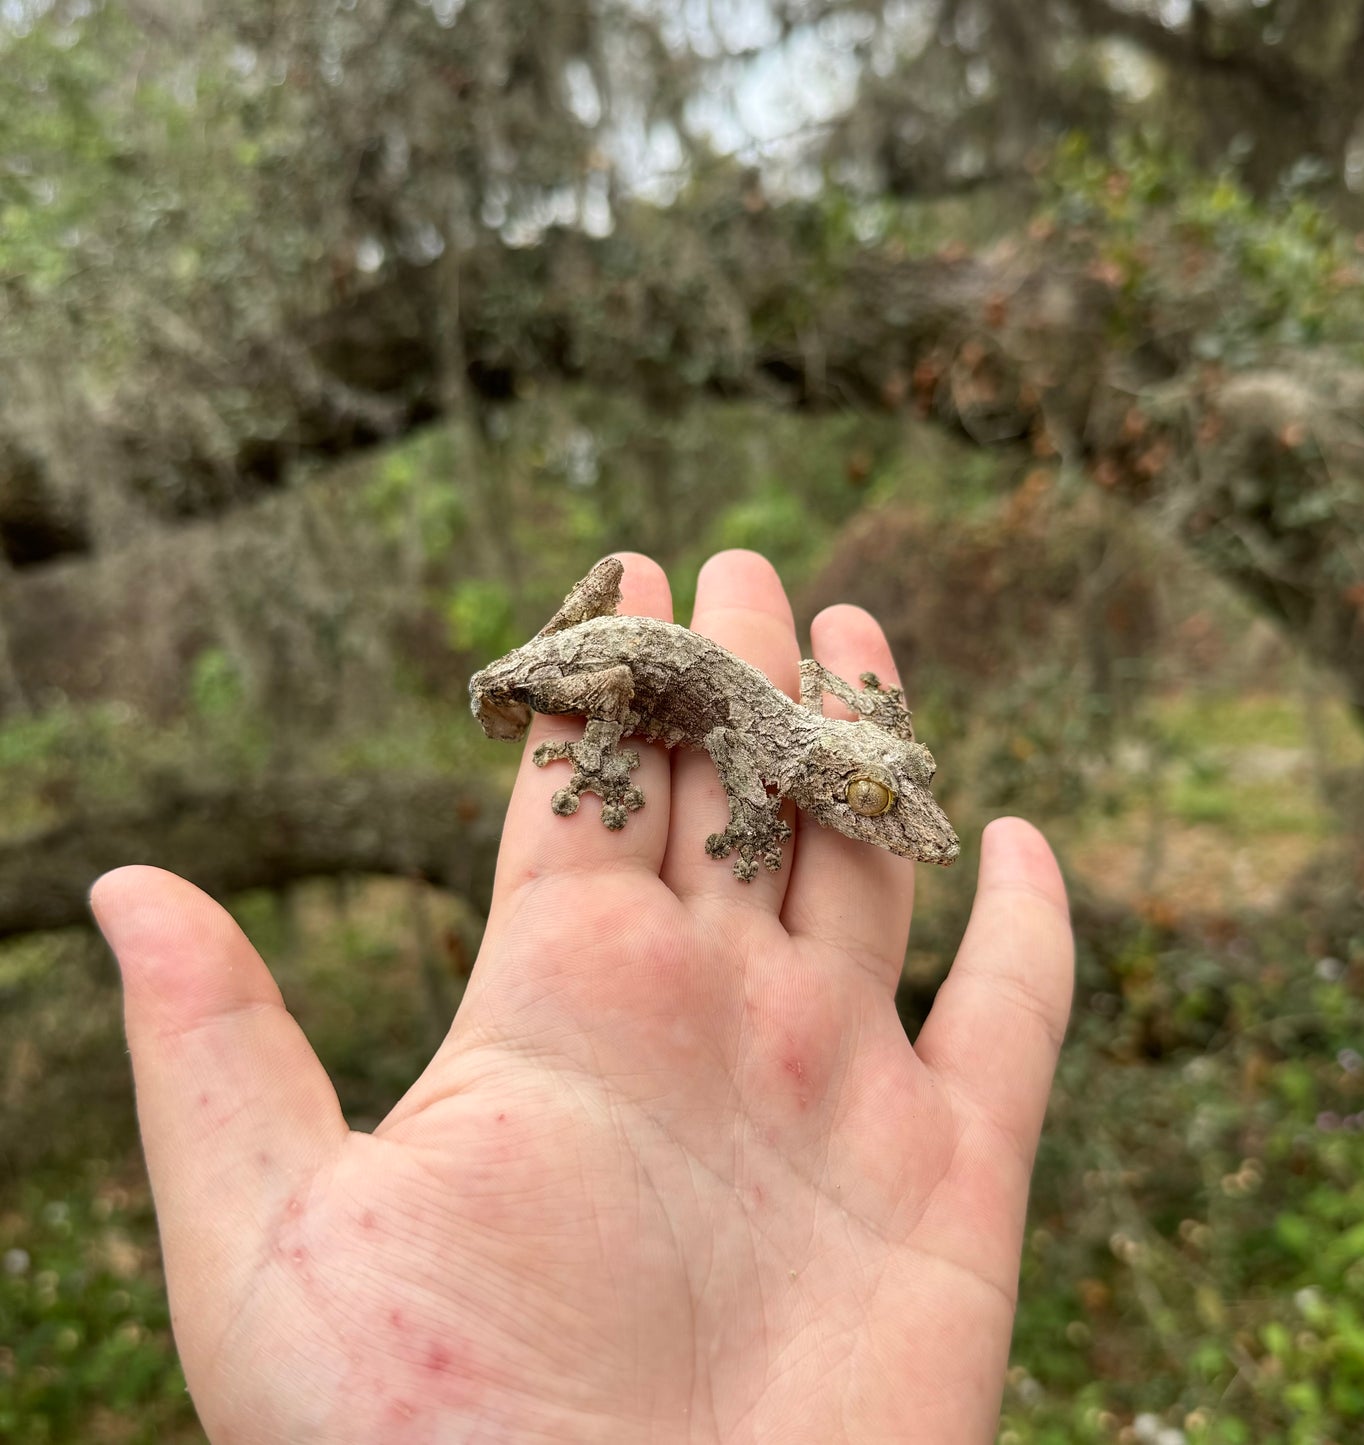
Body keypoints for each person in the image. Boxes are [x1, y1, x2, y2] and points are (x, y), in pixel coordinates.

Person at [91, 550, 1075, 1444]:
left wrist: (863, 757)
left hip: (600, 649)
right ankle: (594, 694)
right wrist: (620, 757)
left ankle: (589, 627)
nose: (909, 831)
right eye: (873, 804)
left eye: (891, 794)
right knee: (599, 679)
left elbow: (801, 766)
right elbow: (738, 765)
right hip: (585, 673)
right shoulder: (778, 756)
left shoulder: (807, 743)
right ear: (827, 777)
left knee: (610, 613)